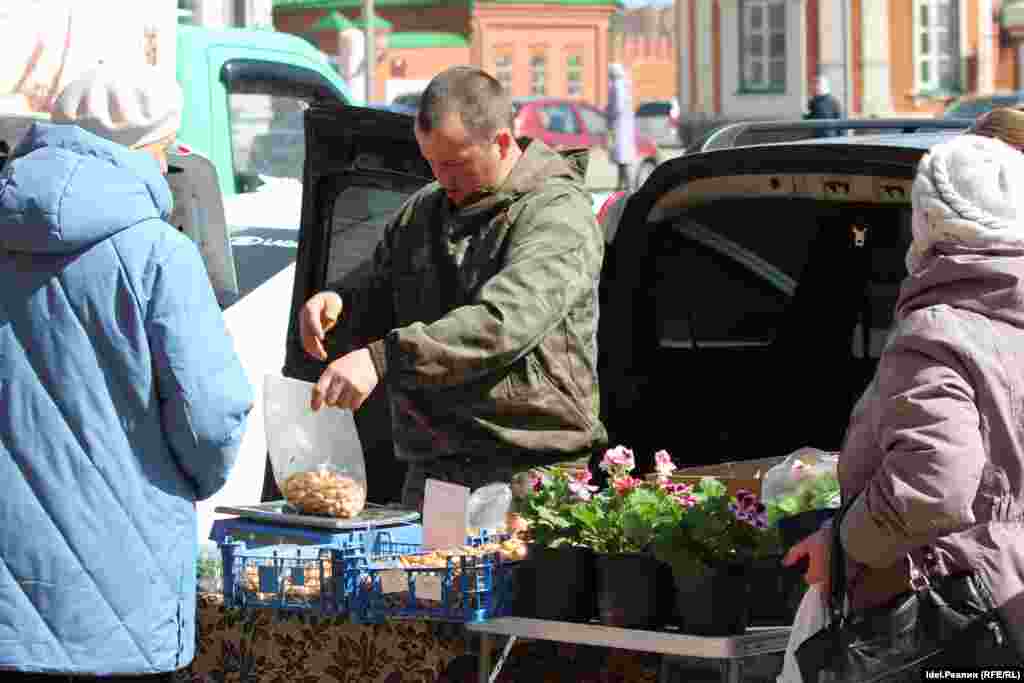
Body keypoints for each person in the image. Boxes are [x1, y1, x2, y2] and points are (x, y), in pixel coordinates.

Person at [0, 64, 253, 681]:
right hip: (122, 583)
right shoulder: (158, 253)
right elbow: (212, 417)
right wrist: (184, 482)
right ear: (151, 146)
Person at [298, 66, 608, 511]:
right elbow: (382, 278)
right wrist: (340, 300)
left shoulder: (556, 214)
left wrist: (382, 359)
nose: (441, 178)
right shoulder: (427, 207)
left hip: (529, 467)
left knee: (513, 584)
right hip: (437, 465)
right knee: (421, 582)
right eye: (431, 162)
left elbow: (502, 323)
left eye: (454, 164)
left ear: (502, 142)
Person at [783, 133, 1024, 669]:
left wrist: (845, 544)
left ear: (929, 220)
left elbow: (933, 488)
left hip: (956, 615)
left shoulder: (939, 334)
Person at [606, 63, 637, 192]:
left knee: (622, 159)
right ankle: (621, 185)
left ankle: (629, 186)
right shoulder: (624, 84)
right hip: (624, 126)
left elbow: (617, 106)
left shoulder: (617, 85)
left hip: (619, 126)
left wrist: (609, 113)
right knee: (622, 159)